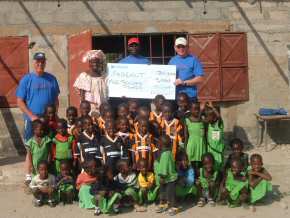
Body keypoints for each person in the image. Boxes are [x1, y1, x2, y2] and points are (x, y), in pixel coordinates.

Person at [16, 52, 60, 142]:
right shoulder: (26, 79)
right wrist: (32, 117)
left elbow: (56, 99)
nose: (40, 64)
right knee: (30, 147)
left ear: (45, 63)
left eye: (42, 62)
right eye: (38, 62)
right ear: (34, 63)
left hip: (48, 119)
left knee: (49, 145)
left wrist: (54, 114)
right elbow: (19, 101)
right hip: (32, 120)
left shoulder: (52, 79)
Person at [168, 37, 204, 102]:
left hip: (190, 96)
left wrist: (184, 82)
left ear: (187, 47)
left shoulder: (194, 60)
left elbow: (200, 79)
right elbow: (167, 77)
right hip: (175, 96)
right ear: (175, 48)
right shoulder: (172, 61)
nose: (181, 49)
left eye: (183, 46)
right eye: (178, 46)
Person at [155, 135, 179, 216]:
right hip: (168, 178)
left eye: (158, 143)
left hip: (168, 179)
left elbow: (164, 168)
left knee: (170, 194)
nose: (157, 145)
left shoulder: (165, 154)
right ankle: (163, 204)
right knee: (163, 193)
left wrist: (162, 177)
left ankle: (174, 207)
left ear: (161, 144)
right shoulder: (169, 152)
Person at [25, 119, 52, 185]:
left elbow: (49, 151)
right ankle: (37, 189)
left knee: (45, 177)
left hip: (45, 162)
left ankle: (44, 188)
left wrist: (49, 161)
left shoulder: (46, 139)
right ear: (34, 130)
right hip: (35, 164)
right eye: (40, 130)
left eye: (43, 129)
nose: (42, 131)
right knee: (36, 178)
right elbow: (29, 155)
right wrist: (31, 165)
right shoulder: (30, 142)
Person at [184, 102, 206, 173]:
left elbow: (205, 132)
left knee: (201, 162)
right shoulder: (187, 120)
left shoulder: (202, 119)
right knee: (191, 162)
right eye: (195, 109)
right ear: (190, 110)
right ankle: (192, 176)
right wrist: (185, 147)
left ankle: (199, 177)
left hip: (201, 144)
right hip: (191, 144)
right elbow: (186, 135)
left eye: (198, 109)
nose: (197, 111)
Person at [205, 102, 225, 170]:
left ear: (214, 117)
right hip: (210, 150)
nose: (206, 118)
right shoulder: (209, 125)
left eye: (208, 116)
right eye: (206, 116)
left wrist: (213, 108)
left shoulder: (219, 125)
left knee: (219, 166)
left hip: (218, 151)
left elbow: (219, 117)